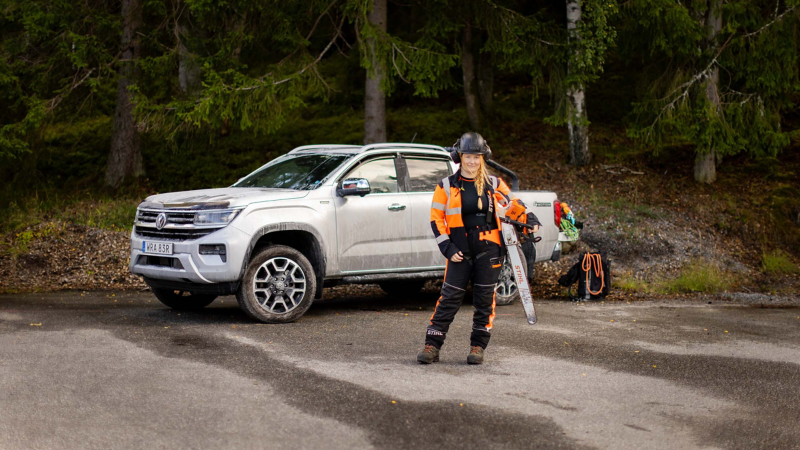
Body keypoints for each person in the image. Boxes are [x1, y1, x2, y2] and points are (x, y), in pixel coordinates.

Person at [417, 132, 539, 365]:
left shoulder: (494, 183)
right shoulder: (446, 185)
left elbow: (515, 204)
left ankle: (477, 346)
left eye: (476, 157)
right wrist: (447, 246)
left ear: (483, 158)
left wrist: (530, 219)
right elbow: (436, 219)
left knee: (484, 300)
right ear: (459, 157)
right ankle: (432, 345)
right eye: (468, 157)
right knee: (449, 298)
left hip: (489, 249)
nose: (472, 161)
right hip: (459, 250)